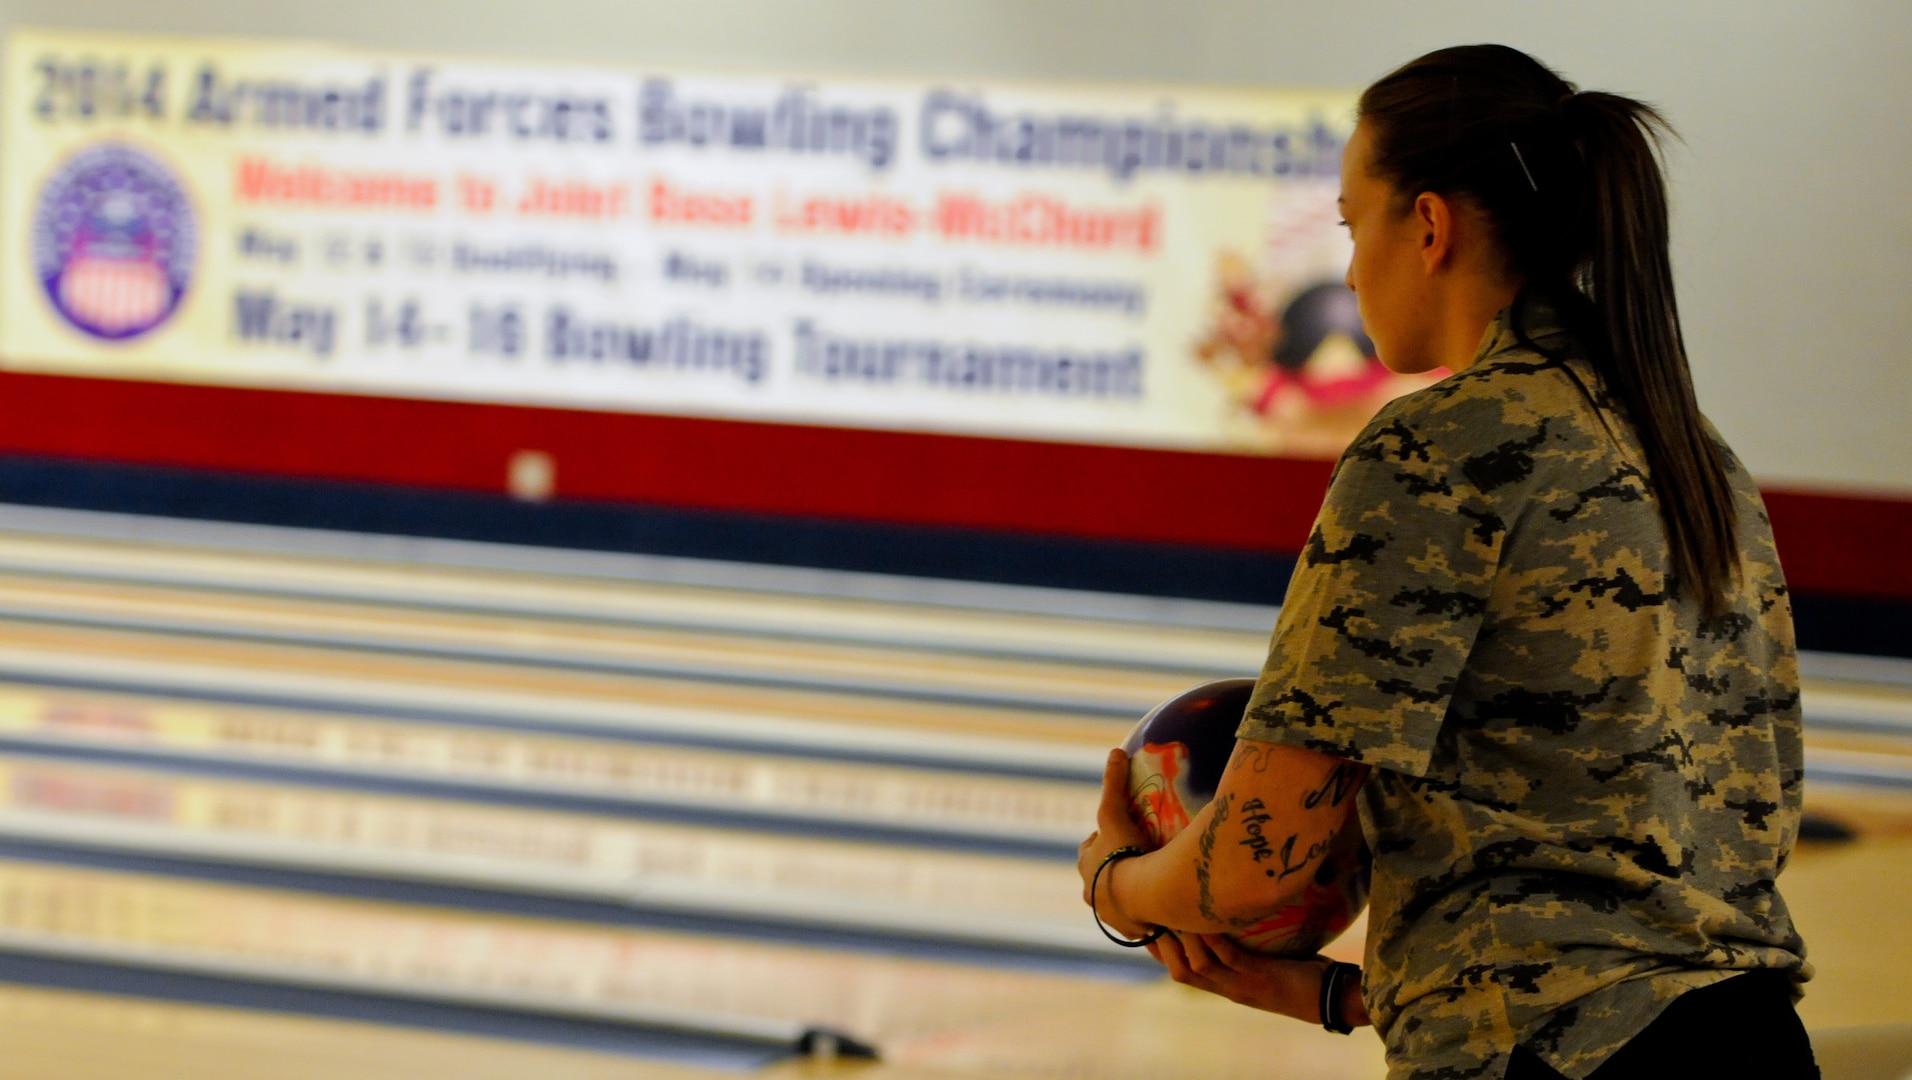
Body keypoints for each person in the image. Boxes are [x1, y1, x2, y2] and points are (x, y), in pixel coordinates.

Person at [1077, 44, 1817, 1080]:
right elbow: (1632, 911)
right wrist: (1340, 996)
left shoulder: (1432, 448)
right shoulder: (1702, 458)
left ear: (1427, 226)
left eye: (1350, 223)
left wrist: (1118, 882)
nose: (1344, 269)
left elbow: (1252, 862)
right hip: (1748, 1048)